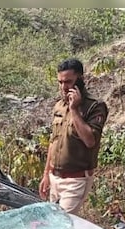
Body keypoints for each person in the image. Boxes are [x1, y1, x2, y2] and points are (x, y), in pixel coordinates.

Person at [39, 58, 108, 215]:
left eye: (68, 82)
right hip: (55, 177)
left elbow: (90, 141)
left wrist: (75, 110)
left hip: (75, 180)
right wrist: (46, 175)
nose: (64, 87)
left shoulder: (95, 106)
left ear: (80, 80)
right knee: (56, 226)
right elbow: (53, 142)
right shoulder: (59, 106)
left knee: (63, 226)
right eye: (60, 82)